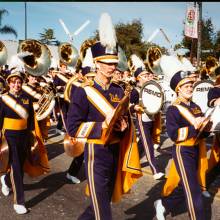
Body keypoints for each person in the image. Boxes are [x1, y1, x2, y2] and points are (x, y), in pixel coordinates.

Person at [67, 13, 142, 220]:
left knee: (99, 207)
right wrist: (102, 126)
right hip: (95, 152)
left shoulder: (119, 90)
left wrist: (125, 125)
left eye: (114, 62)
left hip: (115, 151)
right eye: (107, 63)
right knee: (103, 214)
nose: (112, 66)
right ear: (97, 63)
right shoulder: (83, 91)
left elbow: (124, 121)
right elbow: (73, 128)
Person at [154, 70, 211, 220]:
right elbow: (173, 135)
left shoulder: (196, 106)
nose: (189, 88)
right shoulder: (173, 109)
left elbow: (202, 132)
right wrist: (194, 128)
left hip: (197, 148)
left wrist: (208, 127)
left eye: (191, 85)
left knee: (185, 185)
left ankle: (163, 204)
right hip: (183, 150)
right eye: (185, 85)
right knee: (193, 190)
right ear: (178, 88)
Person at [0, 71, 35, 214]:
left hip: (24, 136)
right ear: (9, 84)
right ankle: (19, 202)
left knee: (20, 164)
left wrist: (32, 134)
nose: (16, 85)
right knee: (16, 167)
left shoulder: (27, 98)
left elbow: (31, 118)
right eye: (14, 82)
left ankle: (6, 181)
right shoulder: (3, 99)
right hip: (9, 137)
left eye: (19, 82)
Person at [129, 55, 165, 180]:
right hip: (142, 120)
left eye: (147, 75)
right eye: (144, 75)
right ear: (138, 78)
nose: (147, 77)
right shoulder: (134, 91)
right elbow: (128, 106)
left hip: (151, 119)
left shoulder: (152, 88)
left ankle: (131, 163)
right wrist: (134, 107)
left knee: (142, 144)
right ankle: (155, 171)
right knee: (148, 144)